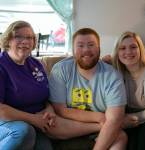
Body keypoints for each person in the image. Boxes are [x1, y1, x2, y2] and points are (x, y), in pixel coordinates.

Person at [0, 21, 104, 150]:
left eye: (29, 38)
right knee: (23, 132)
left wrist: (49, 110)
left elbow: (46, 96)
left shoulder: (36, 65)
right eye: (18, 36)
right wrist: (34, 119)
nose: (25, 41)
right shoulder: (2, 65)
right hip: (9, 123)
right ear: (8, 39)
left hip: (38, 122)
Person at [49, 28, 127, 150]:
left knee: (120, 137)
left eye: (91, 45)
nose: (86, 50)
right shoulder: (61, 69)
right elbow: (60, 109)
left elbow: (114, 118)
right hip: (69, 124)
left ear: (99, 48)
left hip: (100, 129)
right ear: (73, 50)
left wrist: (109, 123)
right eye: (80, 45)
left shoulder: (113, 75)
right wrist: (99, 118)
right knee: (52, 124)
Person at [112, 31, 145, 150]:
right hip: (127, 120)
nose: (128, 52)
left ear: (140, 50)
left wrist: (130, 118)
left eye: (133, 47)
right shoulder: (116, 72)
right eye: (122, 48)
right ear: (117, 53)